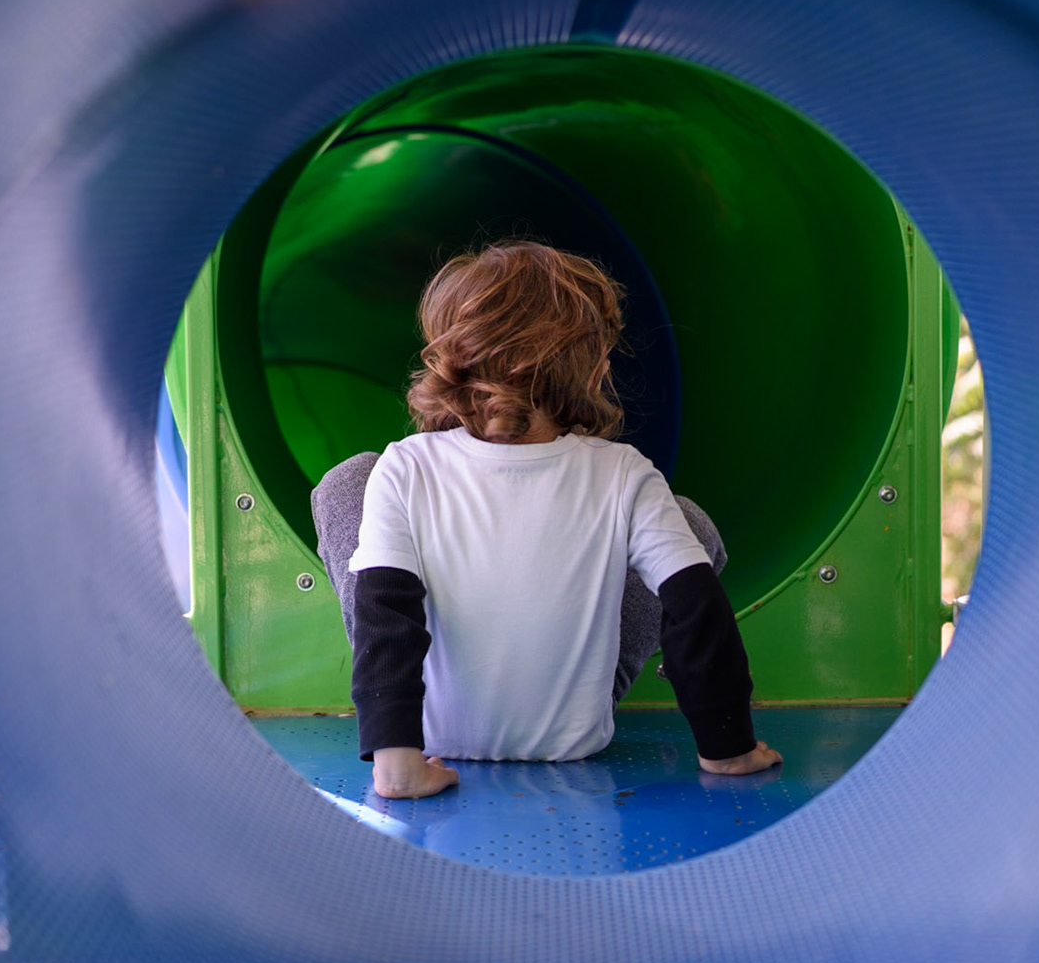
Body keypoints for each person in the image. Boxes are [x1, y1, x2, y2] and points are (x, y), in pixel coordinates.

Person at [310, 240, 781, 799]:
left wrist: (397, 764)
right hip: (573, 735)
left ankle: (389, 729)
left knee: (350, 484)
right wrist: (728, 747)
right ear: (593, 367)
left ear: (451, 356)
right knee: (686, 526)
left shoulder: (404, 467)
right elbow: (697, 609)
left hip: (427, 728)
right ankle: (579, 689)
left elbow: (386, 605)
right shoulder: (625, 472)